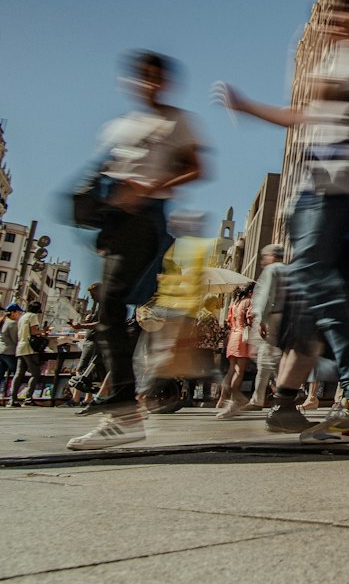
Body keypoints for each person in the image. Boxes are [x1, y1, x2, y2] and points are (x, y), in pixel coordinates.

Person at [214, 0, 349, 444]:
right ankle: (300, 404)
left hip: (335, 192)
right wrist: (249, 107)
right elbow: (302, 114)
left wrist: (302, 60)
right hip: (318, 191)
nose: (332, 23)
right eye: (328, 16)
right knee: (325, 299)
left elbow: (333, 97)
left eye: (341, 15)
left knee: (324, 290)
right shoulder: (334, 61)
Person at [66, 51, 204, 451]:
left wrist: (148, 187)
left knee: (112, 307)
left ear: (167, 82)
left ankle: (124, 409)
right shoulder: (120, 127)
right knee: (110, 311)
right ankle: (124, 406)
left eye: (156, 77)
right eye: (142, 77)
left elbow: (196, 168)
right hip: (116, 222)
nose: (150, 84)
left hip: (146, 218)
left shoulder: (177, 122)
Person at [242, 243, 285, 411]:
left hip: (271, 318)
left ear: (272, 256)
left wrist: (262, 320)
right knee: (270, 360)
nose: (262, 261)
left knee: (267, 360)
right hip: (283, 318)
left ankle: (273, 396)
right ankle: (263, 397)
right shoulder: (287, 270)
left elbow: (267, 295)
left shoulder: (272, 270)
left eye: (264, 257)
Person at [216, 282, 255, 419]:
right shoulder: (249, 302)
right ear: (250, 292)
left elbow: (228, 321)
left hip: (232, 336)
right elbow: (250, 319)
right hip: (242, 337)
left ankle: (222, 399)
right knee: (239, 371)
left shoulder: (234, 304)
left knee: (231, 369)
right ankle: (234, 397)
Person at [8, 301, 43, 407]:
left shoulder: (23, 317)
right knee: (35, 373)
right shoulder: (33, 316)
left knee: (19, 374)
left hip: (20, 347)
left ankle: (12, 399)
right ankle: (28, 398)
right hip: (29, 348)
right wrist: (43, 331)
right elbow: (33, 332)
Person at [0, 304, 22, 403]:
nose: (19, 314)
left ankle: (2, 395)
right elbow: (15, 340)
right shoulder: (12, 324)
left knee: (0, 375)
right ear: (12, 312)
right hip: (9, 352)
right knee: (17, 374)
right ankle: (13, 397)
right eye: (18, 312)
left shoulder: (3, 321)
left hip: (1, 351)